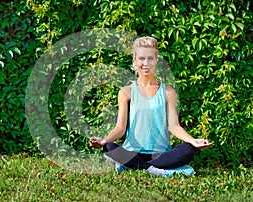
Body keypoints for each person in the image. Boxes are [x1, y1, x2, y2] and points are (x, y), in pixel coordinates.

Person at [89, 36, 212, 177]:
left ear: (157, 60)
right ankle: (155, 170)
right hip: (132, 153)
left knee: (188, 149)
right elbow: (120, 128)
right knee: (109, 147)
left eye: (150, 58)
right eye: (141, 58)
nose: (146, 63)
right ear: (135, 60)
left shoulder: (168, 92)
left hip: (160, 155)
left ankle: (139, 168)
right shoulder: (126, 92)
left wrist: (193, 140)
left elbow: (174, 127)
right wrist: (104, 141)